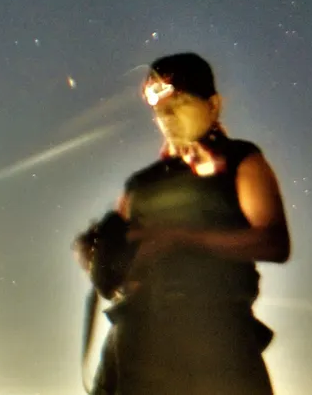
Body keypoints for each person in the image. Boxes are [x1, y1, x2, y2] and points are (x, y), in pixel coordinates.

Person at [73, 52, 291, 395]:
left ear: (213, 105)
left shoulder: (241, 160)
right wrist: (96, 256)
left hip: (216, 338)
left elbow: (274, 242)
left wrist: (179, 237)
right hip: (135, 339)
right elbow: (114, 269)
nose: (167, 117)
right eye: (160, 110)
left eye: (181, 103)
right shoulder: (140, 184)